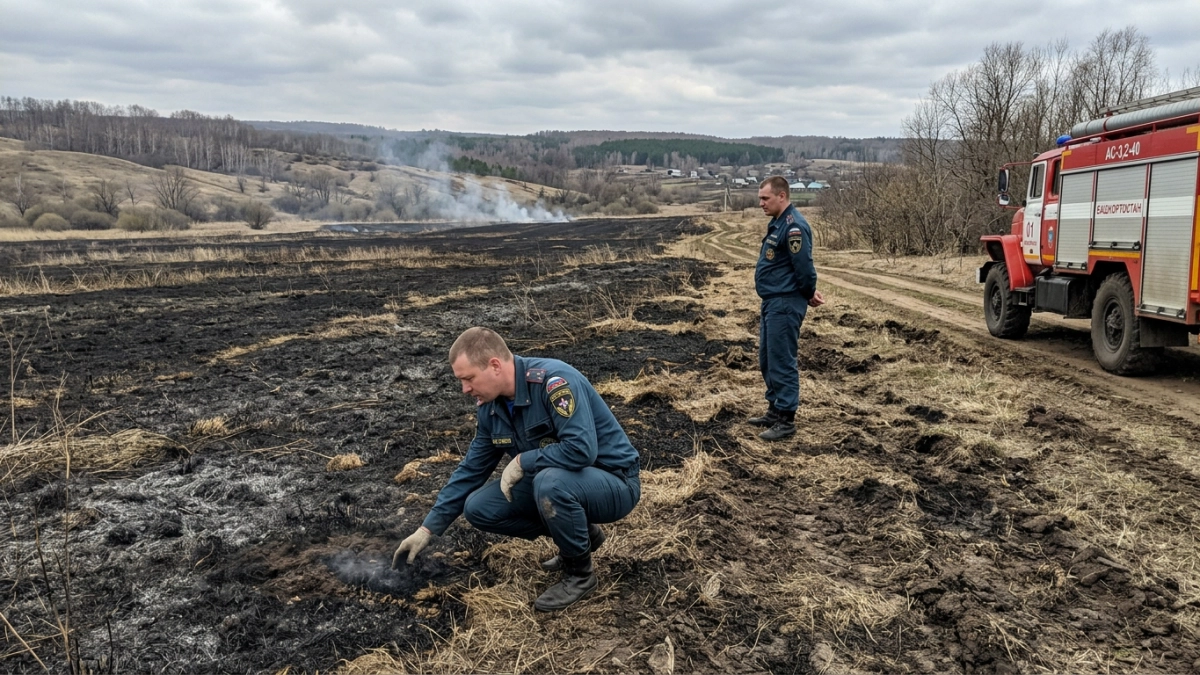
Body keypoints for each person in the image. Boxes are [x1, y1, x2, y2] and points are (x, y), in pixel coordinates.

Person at [391, 327, 641, 611]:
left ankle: (580, 575)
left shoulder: (555, 382)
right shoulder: (491, 408)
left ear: (495, 366)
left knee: (549, 481)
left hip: (614, 482)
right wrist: (426, 529)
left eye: (469, 378)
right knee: (478, 507)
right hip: (562, 485)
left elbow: (582, 450)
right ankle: (582, 534)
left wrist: (524, 461)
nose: (465, 389)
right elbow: (471, 470)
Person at [750, 177, 825, 441]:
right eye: (760, 198)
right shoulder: (778, 223)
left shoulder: (794, 227)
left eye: (765, 198)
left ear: (781, 196)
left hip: (785, 302)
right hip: (772, 301)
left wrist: (808, 292)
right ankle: (774, 409)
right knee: (768, 358)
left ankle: (786, 418)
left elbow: (804, 268)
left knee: (782, 359)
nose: (761, 203)